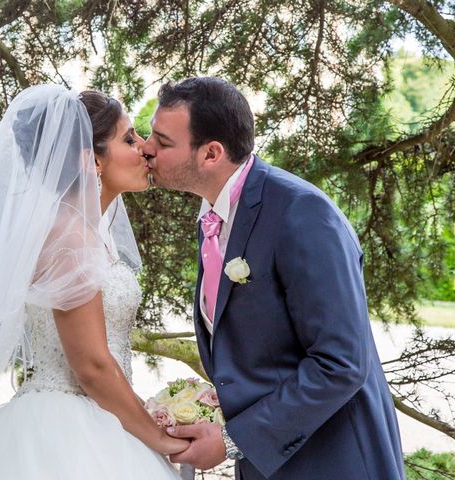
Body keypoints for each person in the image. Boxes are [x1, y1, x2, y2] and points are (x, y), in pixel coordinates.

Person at [0, 84, 185, 479]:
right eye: (128, 138)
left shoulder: (88, 230)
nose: (143, 148)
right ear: (92, 161)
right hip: (66, 430)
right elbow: (92, 366)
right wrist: (161, 439)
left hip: (106, 417)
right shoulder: (69, 236)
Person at [143, 77, 405, 480]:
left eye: (162, 141)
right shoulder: (214, 219)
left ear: (211, 153)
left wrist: (235, 440)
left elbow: (342, 363)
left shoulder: (302, 214)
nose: (147, 148)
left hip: (334, 462)